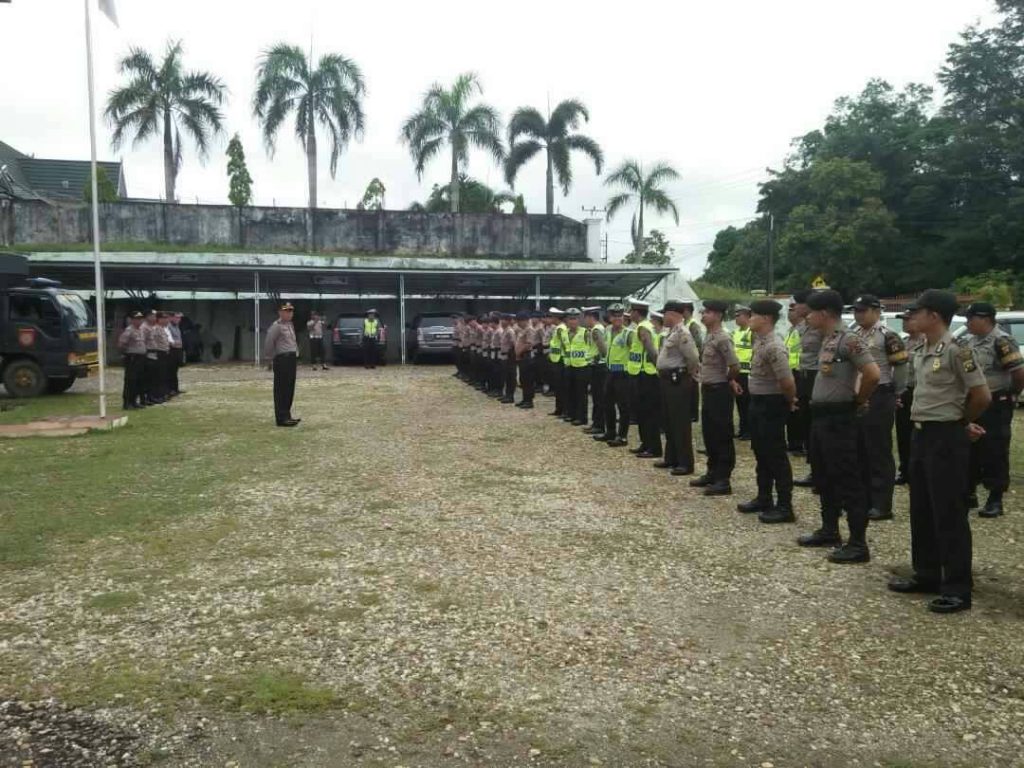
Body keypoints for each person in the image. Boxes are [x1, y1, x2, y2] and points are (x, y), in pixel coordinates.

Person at [888, 290, 990, 614]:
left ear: (934, 316)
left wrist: (960, 422)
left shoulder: (957, 351)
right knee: (921, 508)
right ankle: (927, 573)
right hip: (921, 434)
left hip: (945, 437)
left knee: (948, 512)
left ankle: (958, 587)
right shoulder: (921, 347)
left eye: (916, 312)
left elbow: (981, 395)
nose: (911, 318)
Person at [796, 290, 880, 563]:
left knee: (848, 478)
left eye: (811, 312)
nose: (807, 317)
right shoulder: (828, 340)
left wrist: (858, 401)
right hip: (821, 417)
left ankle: (857, 542)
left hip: (840, 419)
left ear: (824, 313)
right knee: (824, 475)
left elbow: (872, 373)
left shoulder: (849, 340)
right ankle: (829, 529)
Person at [961, 302, 1024, 517]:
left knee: (994, 449)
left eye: (971, 319)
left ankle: (995, 498)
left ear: (985, 319)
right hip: (973, 401)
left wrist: (1011, 395)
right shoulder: (968, 342)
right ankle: (968, 492)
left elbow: (1019, 374)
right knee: (968, 448)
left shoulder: (1002, 342)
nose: (968, 323)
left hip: (996, 402)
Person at [737, 300, 797, 523]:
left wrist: (790, 401)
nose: (749, 318)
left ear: (766, 318)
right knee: (761, 452)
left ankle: (784, 505)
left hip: (771, 404)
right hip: (758, 402)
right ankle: (764, 497)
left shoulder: (774, 345)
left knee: (775, 454)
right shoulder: (760, 342)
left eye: (753, 315)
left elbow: (786, 380)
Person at [852, 294, 909, 521]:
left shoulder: (888, 336)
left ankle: (882, 503)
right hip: (859, 393)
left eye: (863, 310)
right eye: (856, 310)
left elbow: (901, 366)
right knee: (860, 447)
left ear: (876, 311)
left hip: (880, 392)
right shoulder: (855, 335)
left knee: (878, 449)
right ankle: (864, 497)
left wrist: (897, 392)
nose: (858, 315)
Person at [692, 300, 741, 495]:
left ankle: (723, 478)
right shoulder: (709, 336)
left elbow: (734, 366)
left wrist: (727, 380)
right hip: (708, 389)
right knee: (709, 433)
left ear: (719, 315)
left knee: (722, 434)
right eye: (703, 312)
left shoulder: (722, 338)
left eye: (708, 312)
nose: (703, 315)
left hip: (720, 390)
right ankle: (712, 472)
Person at [655, 301, 700, 475]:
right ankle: (671, 457)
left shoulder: (682, 332)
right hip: (668, 380)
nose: (662, 317)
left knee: (680, 422)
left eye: (664, 314)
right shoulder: (672, 332)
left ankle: (685, 462)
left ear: (672, 314)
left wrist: (685, 375)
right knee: (669, 420)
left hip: (678, 380)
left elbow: (693, 358)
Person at [792, 291, 822, 488]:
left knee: (816, 427)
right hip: (802, 377)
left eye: (799, 304)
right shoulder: (803, 326)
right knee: (807, 425)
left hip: (816, 377)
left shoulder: (820, 328)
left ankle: (820, 472)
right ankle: (814, 469)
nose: (795, 307)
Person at [627, 300, 662, 458]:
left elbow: (651, 351)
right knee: (642, 412)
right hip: (640, 373)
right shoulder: (645, 326)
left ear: (636, 312)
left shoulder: (643, 328)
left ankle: (653, 447)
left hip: (646, 375)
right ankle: (645, 443)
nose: (629, 313)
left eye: (631, 311)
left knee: (649, 413)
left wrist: (658, 369)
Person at [894, 308, 922, 487]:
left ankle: (917, 471)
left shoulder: (926, 341)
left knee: (918, 433)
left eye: (908, 319)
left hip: (919, 391)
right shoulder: (903, 342)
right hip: (905, 392)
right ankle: (904, 469)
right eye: (903, 319)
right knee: (903, 432)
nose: (904, 322)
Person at [599, 304, 632, 447]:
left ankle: (622, 436)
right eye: (614, 316)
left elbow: (633, 352)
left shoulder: (628, 333)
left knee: (623, 406)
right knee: (607, 404)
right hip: (610, 372)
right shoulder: (607, 330)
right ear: (610, 317)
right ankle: (610, 432)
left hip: (623, 373)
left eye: (620, 316)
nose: (618, 318)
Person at [265, 302, 301, 427]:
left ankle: (287, 415)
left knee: (289, 388)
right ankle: (281, 418)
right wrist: (269, 359)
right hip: (282, 359)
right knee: (281, 389)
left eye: (291, 310)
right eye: (286, 310)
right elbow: (269, 342)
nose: (289, 313)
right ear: (280, 312)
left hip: (291, 359)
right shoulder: (277, 326)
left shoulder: (290, 325)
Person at [784, 298, 805, 454]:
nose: (789, 312)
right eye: (788, 309)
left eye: (792, 309)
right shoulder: (791, 330)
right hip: (790, 372)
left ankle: (798, 444)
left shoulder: (804, 329)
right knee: (790, 409)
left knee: (797, 409)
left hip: (800, 373)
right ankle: (793, 442)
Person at [563, 308, 591, 425]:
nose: (572, 321)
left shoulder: (585, 333)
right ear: (566, 320)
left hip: (582, 367)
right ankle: (571, 414)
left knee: (581, 394)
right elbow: (565, 348)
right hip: (569, 366)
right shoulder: (564, 333)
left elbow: (591, 347)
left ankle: (581, 417)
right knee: (570, 391)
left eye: (574, 319)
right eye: (570, 319)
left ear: (579, 320)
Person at [583, 307, 608, 436]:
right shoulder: (600, 328)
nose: (584, 320)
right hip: (598, 366)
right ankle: (597, 423)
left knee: (598, 397)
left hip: (598, 366)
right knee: (597, 396)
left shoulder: (596, 330)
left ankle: (598, 424)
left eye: (585, 317)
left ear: (590, 317)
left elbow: (603, 350)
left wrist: (598, 358)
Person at [118, 310, 147, 410]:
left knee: (139, 381)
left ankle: (134, 401)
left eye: (140, 319)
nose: (139, 321)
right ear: (131, 320)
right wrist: (127, 354)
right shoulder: (129, 331)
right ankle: (127, 402)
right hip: (132, 358)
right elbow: (121, 344)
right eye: (137, 319)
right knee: (130, 381)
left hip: (140, 358)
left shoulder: (141, 330)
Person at [732, 306, 753, 440]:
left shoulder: (752, 332)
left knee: (747, 403)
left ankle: (749, 430)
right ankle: (742, 428)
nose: (736, 318)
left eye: (738, 315)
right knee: (740, 403)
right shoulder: (736, 332)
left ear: (746, 316)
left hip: (748, 372)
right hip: (738, 372)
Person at [682, 302, 703, 425]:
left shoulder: (693, 324)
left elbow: (698, 343)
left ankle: (693, 414)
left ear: (687, 310)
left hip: (692, 360)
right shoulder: (684, 324)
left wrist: (695, 360)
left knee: (693, 387)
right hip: (685, 360)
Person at [547, 309, 568, 416]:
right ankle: (559, 409)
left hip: (561, 360)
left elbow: (565, 344)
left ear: (556, 317)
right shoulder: (558, 328)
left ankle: (563, 410)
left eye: (552, 317)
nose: (551, 319)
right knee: (558, 387)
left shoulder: (561, 329)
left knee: (562, 387)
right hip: (556, 359)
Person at [514, 311, 536, 409]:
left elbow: (528, 344)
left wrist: (519, 352)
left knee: (528, 380)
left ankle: (529, 401)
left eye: (519, 321)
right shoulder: (522, 330)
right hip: (522, 357)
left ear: (525, 321)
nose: (518, 323)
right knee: (523, 379)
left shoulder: (529, 330)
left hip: (527, 357)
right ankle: (525, 399)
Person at [142, 309, 163, 405]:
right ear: (147, 317)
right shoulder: (144, 327)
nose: (155, 318)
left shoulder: (153, 327)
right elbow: (142, 342)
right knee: (147, 378)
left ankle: (152, 396)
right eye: (153, 316)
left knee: (154, 378)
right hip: (148, 355)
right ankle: (146, 398)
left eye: (155, 316)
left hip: (154, 355)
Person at [500, 313, 518, 404]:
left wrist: (513, 355)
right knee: (506, 376)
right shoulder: (504, 330)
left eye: (504, 320)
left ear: (508, 321)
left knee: (511, 376)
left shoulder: (510, 331)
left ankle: (510, 396)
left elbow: (514, 344)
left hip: (510, 356)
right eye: (501, 320)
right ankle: (507, 394)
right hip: (504, 356)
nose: (502, 322)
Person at [168, 312, 185, 396]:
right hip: (172, 350)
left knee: (175, 370)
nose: (179, 319)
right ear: (171, 318)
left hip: (178, 350)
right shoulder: (168, 327)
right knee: (170, 371)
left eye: (179, 318)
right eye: (177, 317)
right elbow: (169, 340)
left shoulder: (177, 327)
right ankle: (170, 389)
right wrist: (175, 343)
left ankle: (175, 388)